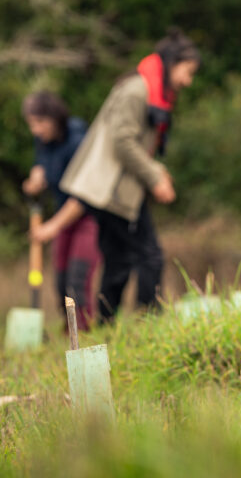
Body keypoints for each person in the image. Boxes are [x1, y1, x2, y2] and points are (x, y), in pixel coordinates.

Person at [60, 29, 199, 323]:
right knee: (150, 256)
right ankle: (149, 324)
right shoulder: (138, 90)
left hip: (115, 191)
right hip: (112, 192)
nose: (189, 80)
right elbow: (123, 141)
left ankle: (106, 323)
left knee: (119, 261)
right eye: (188, 71)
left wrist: (156, 172)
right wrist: (155, 178)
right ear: (173, 63)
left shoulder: (149, 91)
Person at [20, 91, 100, 329]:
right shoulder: (42, 140)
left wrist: (51, 227)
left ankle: (84, 335)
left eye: (41, 123)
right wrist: (37, 176)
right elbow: (43, 164)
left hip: (87, 216)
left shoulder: (78, 140)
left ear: (55, 118)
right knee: (61, 282)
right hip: (61, 214)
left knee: (78, 279)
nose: (36, 130)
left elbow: (83, 195)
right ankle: (69, 334)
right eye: (32, 124)